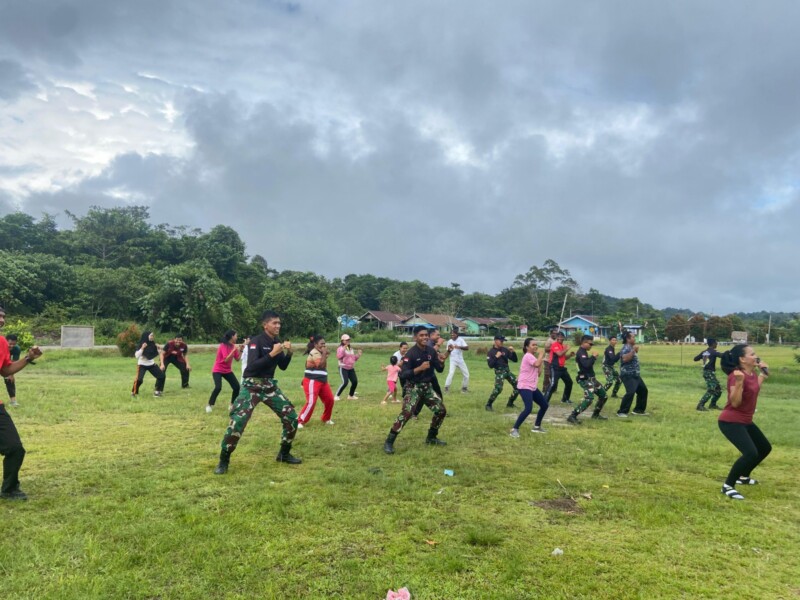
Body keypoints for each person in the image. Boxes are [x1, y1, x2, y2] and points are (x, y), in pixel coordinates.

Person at [214, 310, 300, 474]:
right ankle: (223, 460)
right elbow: (252, 367)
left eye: (279, 323)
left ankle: (284, 453)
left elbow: (282, 366)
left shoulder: (277, 341)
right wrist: (272, 353)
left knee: (291, 417)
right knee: (238, 422)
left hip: (269, 385)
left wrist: (288, 353)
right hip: (251, 385)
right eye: (274, 323)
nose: (278, 326)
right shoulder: (256, 342)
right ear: (265, 324)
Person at [717, 344, 771, 500]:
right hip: (731, 421)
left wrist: (763, 375)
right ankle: (728, 486)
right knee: (750, 453)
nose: (756, 356)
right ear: (742, 359)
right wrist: (739, 382)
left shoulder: (752, 374)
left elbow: (753, 390)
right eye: (752, 354)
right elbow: (735, 402)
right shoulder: (736, 376)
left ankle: (743, 476)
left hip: (746, 421)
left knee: (764, 448)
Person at [0, 304, 43, 501]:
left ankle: (9, 490)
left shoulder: (1, 342)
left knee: (15, 449)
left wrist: (28, 358)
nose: (2, 320)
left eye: (3, 317)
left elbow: (6, 371)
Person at [383, 326, 447, 454]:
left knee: (441, 411)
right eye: (421, 335)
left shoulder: (431, 351)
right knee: (407, 413)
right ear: (415, 337)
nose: (424, 337)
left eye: (426, 335)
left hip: (427, 387)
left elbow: (439, 369)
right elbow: (403, 374)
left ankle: (431, 437)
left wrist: (442, 361)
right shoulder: (410, 354)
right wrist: (419, 368)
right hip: (413, 388)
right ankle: (389, 441)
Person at [509, 338, 548, 437]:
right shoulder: (527, 356)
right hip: (524, 386)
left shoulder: (533, 358)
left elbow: (538, 373)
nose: (535, 346)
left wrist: (541, 361)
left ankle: (537, 427)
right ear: (527, 347)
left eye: (536, 344)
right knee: (528, 408)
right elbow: (536, 364)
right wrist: (540, 356)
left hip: (532, 386)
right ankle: (514, 429)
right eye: (533, 345)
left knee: (544, 405)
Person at [567, 335, 610, 424]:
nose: (591, 345)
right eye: (590, 343)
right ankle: (573, 416)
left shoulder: (584, 352)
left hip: (592, 379)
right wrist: (593, 357)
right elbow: (586, 365)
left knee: (603, 396)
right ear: (584, 342)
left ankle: (596, 414)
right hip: (585, 379)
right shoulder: (581, 352)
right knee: (589, 398)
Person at [298, 335, 335, 427]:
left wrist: (324, 353)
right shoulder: (314, 352)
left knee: (330, 399)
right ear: (315, 344)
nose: (323, 346)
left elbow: (325, 359)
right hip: (312, 381)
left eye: (324, 344)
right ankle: (300, 421)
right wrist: (324, 353)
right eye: (321, 344)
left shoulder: (320, 352)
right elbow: (321, 365)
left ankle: (326, 418)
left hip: (322, 381)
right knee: (311, 402)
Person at [206, 330, 241, 413]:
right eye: (236, 335)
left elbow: (237, 359)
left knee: (237, 387)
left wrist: (241, 350)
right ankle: (209, 405)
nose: (237, 337)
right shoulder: (223, 346)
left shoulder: (233, 346)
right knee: (218, 387)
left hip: (227, 370)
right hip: (217, 370)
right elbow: (226, 359)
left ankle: (232, 405)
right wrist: (234, 349)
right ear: (232, 336)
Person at [616, 330, 649, 417]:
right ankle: (622, 412)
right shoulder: (626, 348)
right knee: (630, 392)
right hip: (628, 374)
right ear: (628, 339)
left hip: (635, 374)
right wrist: (633, 351)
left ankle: (639, 410)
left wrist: (634, 350)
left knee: (643, 391)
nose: (635, 338)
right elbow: (625, 359)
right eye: (633, 337)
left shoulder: (631, 347)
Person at [485, 334, 519, 411]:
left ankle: (510, 403)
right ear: (495, 341)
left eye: (503, 341)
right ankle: (488, 404)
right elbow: (490, 365)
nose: (502, 342)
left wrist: (513, 352)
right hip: (499, 372)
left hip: (507, 371)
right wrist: (496, 357)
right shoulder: (491, 352)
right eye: (501, 341)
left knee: (518, 386)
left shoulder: (505, 350)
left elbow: (515, 360)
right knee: (498, 389)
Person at [543, 331, 574, 404]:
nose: (560, 339)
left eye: (562, 337)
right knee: (553, 384)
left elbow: (563, 357)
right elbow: (559, 354)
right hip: (554, 367)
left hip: (562, 368)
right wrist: (567, 349)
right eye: (559, 337)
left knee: (569, 382)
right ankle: (544, 401)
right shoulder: (554, 345)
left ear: (563, 338)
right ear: (557, 338)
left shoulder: (562, 346)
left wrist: (570, 355)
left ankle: (565, 399)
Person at [132, 331, 165, 398]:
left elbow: (160, 353)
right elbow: (136, 356)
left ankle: (157, 392)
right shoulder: (141, 344)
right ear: (146, 336)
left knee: (161, 376)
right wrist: (142, 348)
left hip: (151, 364)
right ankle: (134, 392)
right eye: (151, 335)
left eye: (153, 336)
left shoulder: (153, 344)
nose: (152, 337)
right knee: (139, 379)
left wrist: (162, 363)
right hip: (142, 365)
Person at [694, 338, 723, 411]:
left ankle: (713, 405)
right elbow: (722, 355)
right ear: (713, 344)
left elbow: (695, 359)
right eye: (716, 343)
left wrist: (702, 357)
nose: (716, 344)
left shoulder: (704, 352)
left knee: (718, 390)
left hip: (706, 372)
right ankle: (700, 405)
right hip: (709, 373)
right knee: (711, 389)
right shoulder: (714, 352)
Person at [335, 334, 362, 400]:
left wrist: (358, 355)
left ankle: (351, 396)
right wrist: (343, 350)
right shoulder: (340, 348)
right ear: (342, 341)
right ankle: (337, 396)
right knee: (345, 382)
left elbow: (353, 358)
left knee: (355, 381)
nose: (348, 341)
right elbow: (338, 356)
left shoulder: (350, 348)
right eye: (346, 340)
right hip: (343, 367)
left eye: (349, 339)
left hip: (351, 368)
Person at [444, 327, 470, 393]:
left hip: (460, 360)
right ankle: (446, 387)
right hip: (452, 359)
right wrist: (450, 349)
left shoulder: (461, 340)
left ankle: (464, 388)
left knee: (466, 374)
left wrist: (459, 347)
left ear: (457, 334)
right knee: (451, 373)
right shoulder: (449, 341)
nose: (452, 336)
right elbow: (448, 351)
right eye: (451, 335)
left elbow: (467, 348)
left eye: (453, 334)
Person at [3, 334, 21, 407]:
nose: (12, 346)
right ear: (5, 342)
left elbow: (14, 363)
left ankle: (13, 401)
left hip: (5, 364)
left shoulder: (16, 349)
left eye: (14, 344)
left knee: (9, 379)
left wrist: (11, 374)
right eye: (10, 344)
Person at [541, 328, 558, 393]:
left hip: (555, 360)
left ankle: (553, 389)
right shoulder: (549, 340)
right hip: (547, 360)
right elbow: (546, 350)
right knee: (547, 374)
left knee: (554, 375)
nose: (555, 334)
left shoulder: (557, 340)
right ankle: (545, 388)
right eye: (553, 333)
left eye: (556, 333)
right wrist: (553, 348)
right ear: (551, 334)